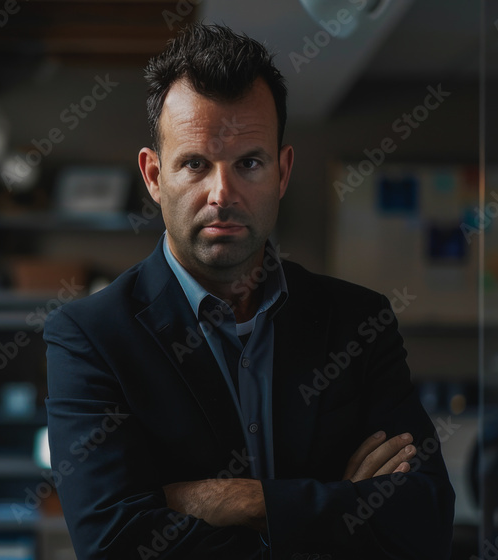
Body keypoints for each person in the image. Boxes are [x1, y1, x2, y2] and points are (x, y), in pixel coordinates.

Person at [44, 23, 455, 560]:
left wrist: (243, 501)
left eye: (249, 163)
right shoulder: (90, 338)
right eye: (195, 164)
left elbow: (424, 523)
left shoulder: (360, 320)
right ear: (152, 175)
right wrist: (340, 505)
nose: (222, 193)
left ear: (282, 172)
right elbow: (115, 544)